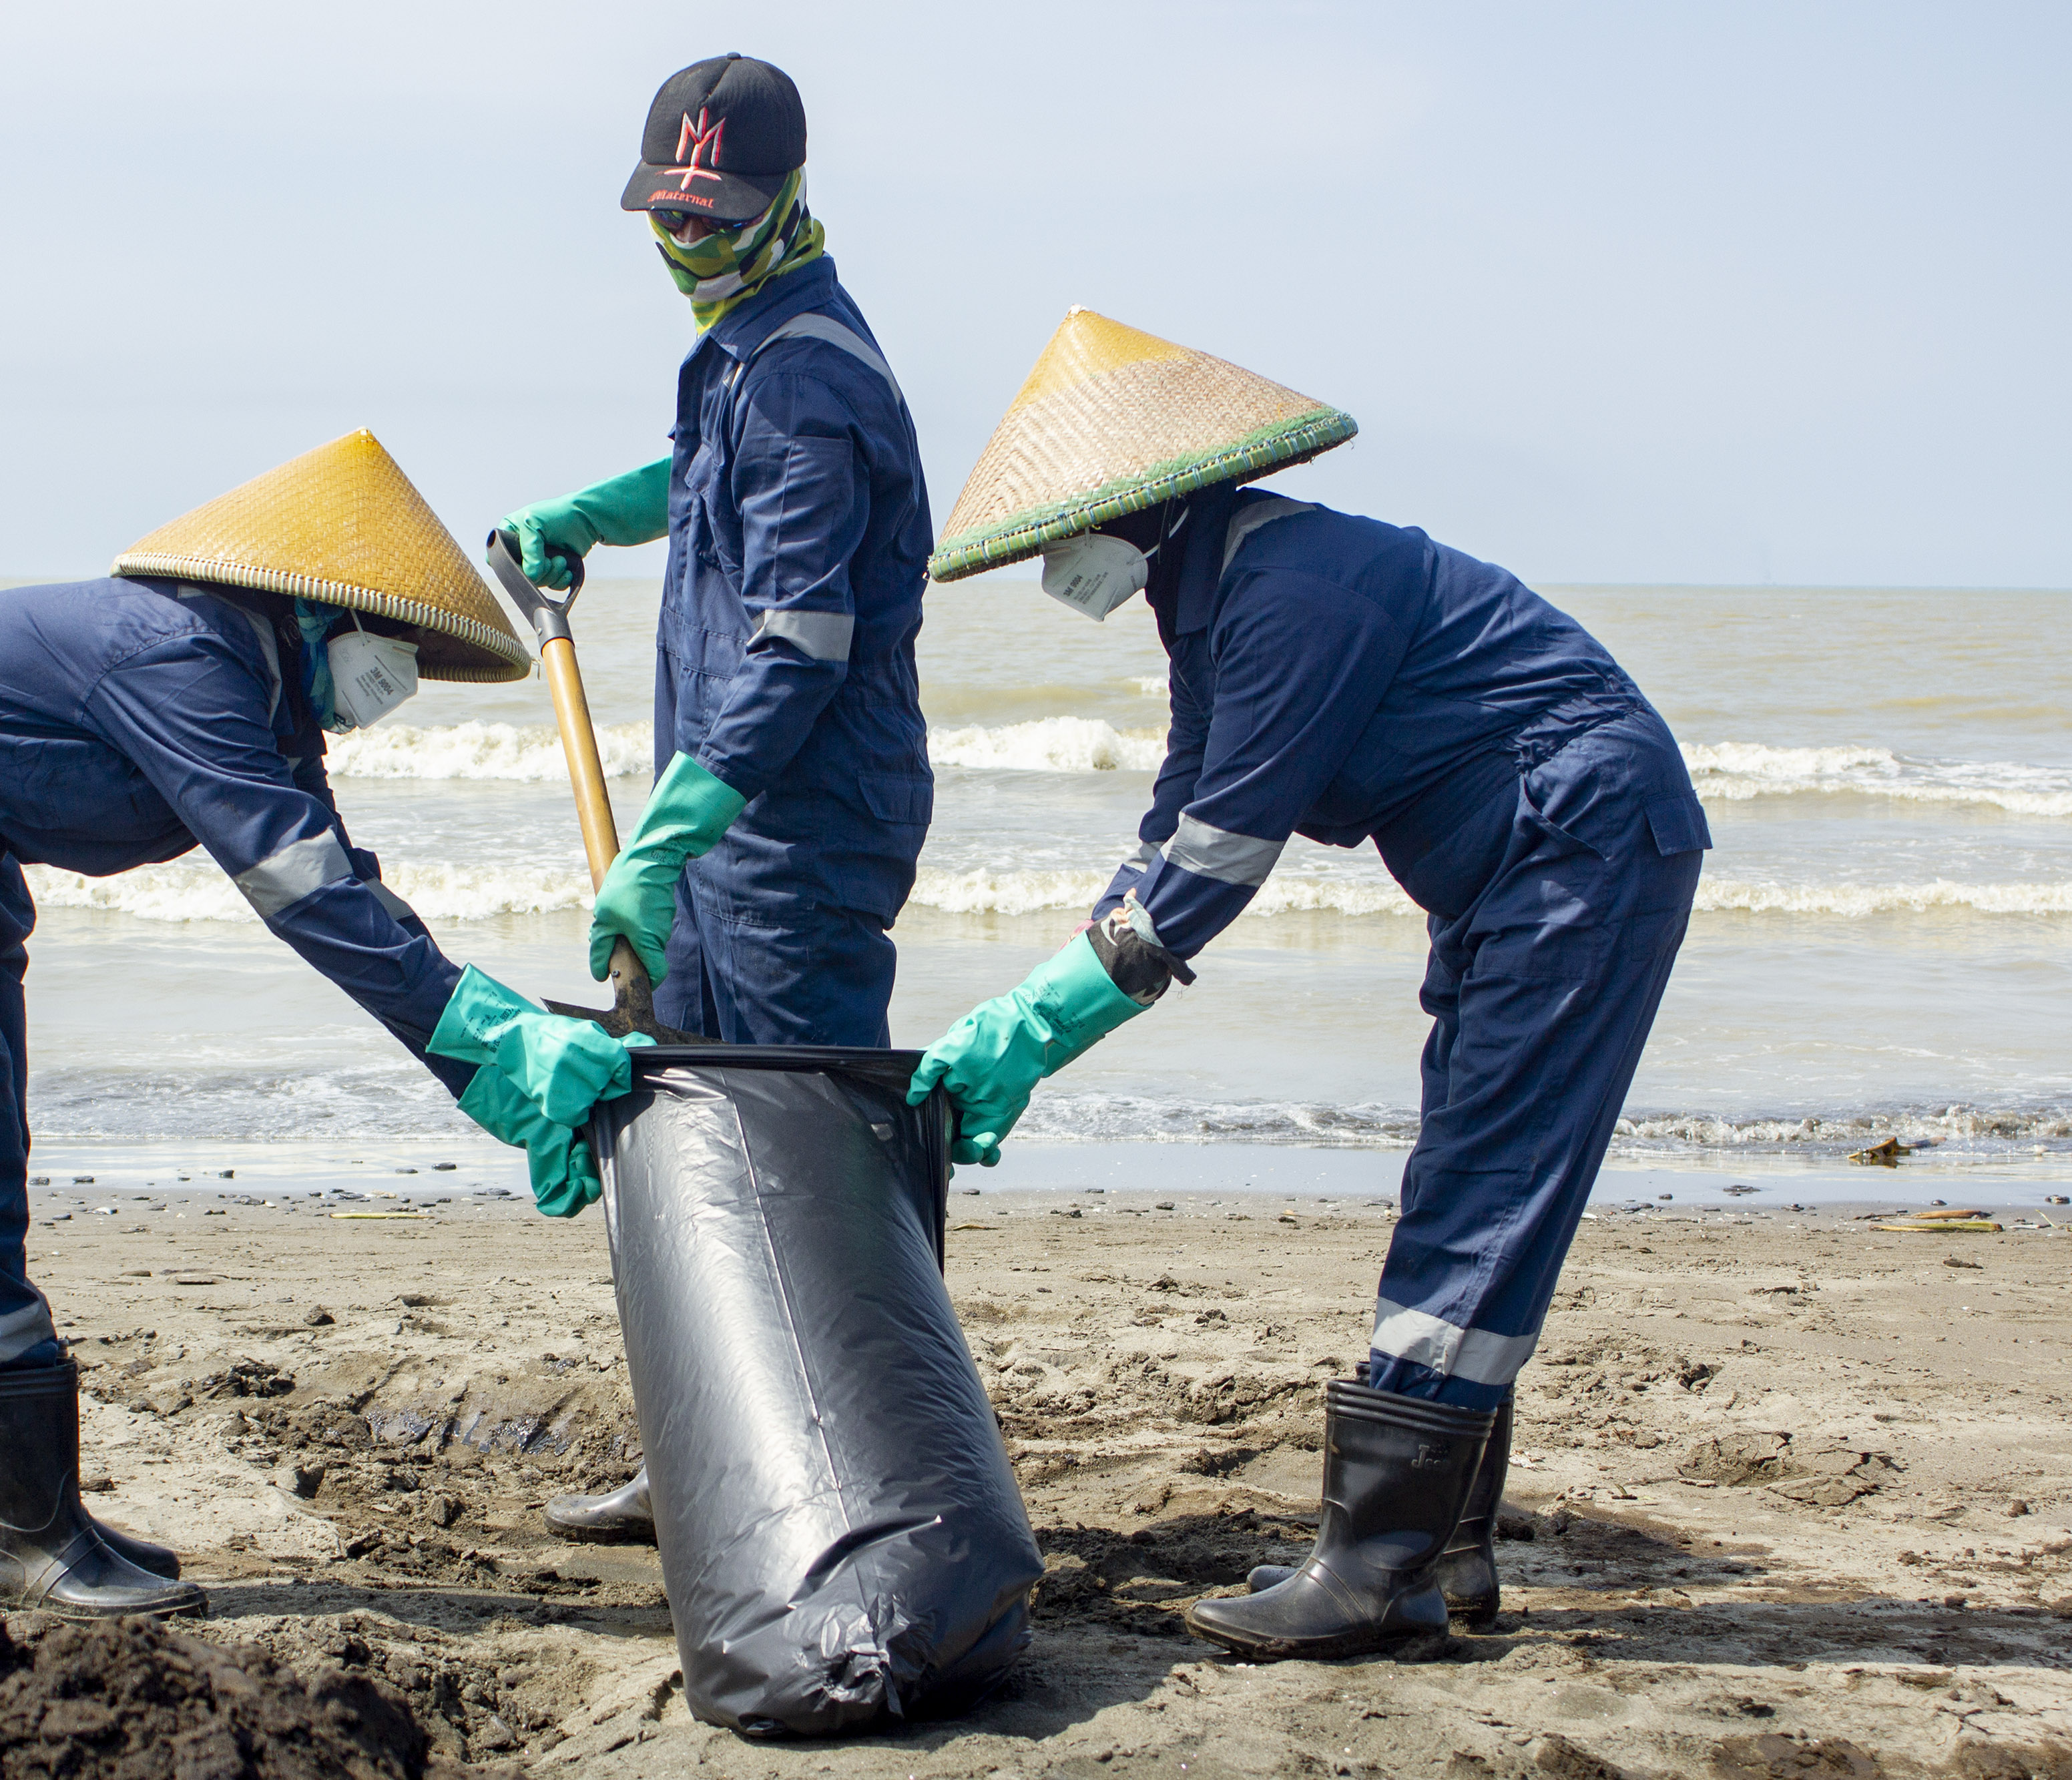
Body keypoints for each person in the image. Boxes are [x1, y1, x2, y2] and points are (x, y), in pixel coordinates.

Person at [0, 431, 641, 1617]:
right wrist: (484, 1050)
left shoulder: (257, 699)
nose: (400, 676)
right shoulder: (180, 653)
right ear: (315, 606)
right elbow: (301, 893)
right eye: (395, 645)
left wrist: (499, 1030)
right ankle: (12, 1528)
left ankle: (30, 1507)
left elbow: (344, 883)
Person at [911, 310, 1710, 1661]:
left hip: (1575, 842)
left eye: (1061, 530)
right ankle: (1442, 1540)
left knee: (1486, 1176)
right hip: (1513, 864)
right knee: (1468, 1160)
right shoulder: (1213, 591)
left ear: (1142, 500)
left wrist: (1037, 1029)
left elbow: (1222, 854)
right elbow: (1179, 809)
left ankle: (1377, 1563)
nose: (1053, 562)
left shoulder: (1291, 592)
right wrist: (1075, 945)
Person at [493, 53, 935, 1540]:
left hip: (795, 830)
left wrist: (668, 835)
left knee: (815, 1152)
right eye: (666, 214)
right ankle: (710, 1445)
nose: (687, 240)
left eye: (714, 215)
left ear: (789, 196)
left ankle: (874, 1472)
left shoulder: (812, 373)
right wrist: (593, 517)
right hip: (724, 826)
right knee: (695, 1129)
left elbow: (802, 641)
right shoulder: (747, 343)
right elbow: (701, 470)